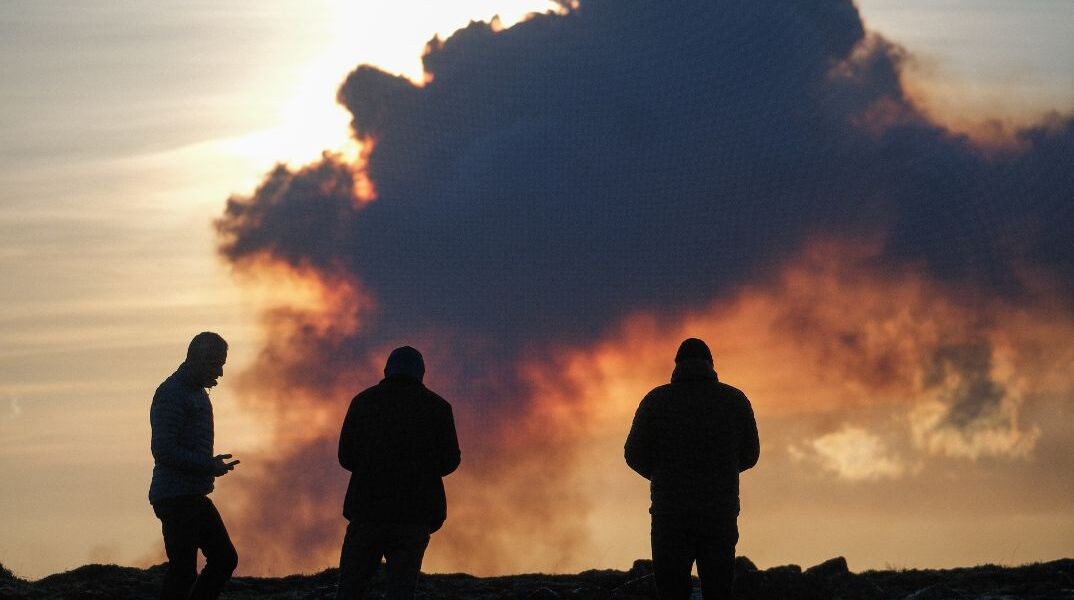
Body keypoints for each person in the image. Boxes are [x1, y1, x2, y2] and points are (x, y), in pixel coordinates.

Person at [625, 338, 760, 600]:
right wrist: (724, 471)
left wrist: (660, 476)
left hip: (670, 516)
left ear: (677, 365)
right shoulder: (734, 401)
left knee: (672, 592)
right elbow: (751, 454)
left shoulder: (655, 401)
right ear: (711, 364)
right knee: (718, 590)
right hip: (719, 515)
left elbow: (633, 455)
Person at [336, 346, 461, 600]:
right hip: (414, 516)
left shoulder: (363, 402)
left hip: (367, 511)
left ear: (386, 370)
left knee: (351, 589)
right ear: (422, 374)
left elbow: (345, 456)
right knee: (402, 591)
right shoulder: (438, 407)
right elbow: (449, 461)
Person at [149, 331, 241, 600]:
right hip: (176, 497)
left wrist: (209, 466)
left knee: (223, 559)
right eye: (217, 364)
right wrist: (207, 465)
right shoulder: (172, 393)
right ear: (200, 359)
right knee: (185, 571)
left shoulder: (195, 392)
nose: (221, 373)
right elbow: (163, 450)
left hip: (189, 495)